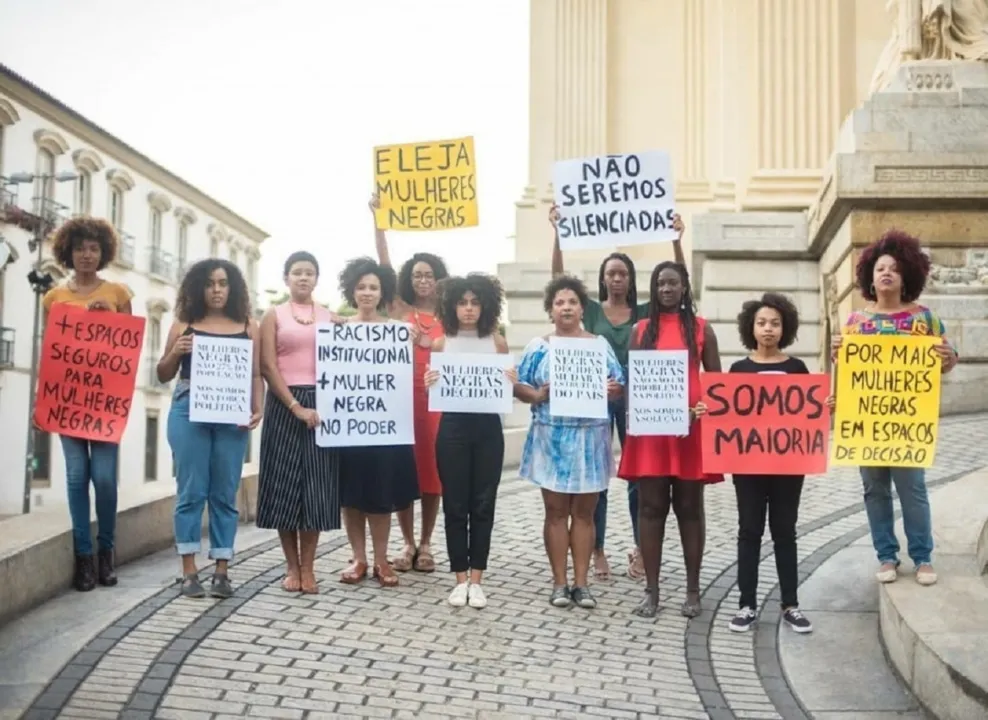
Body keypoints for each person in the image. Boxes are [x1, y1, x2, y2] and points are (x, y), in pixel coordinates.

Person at [548, 204, 687, 581]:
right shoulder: (588, 310)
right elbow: (559, 279)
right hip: (593, 400)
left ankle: (642, 549)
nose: (617, 279)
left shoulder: (646, 311)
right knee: (598, 475)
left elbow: (681, 287)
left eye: (623, 273)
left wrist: (677, 240)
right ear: (603, 278)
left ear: (631, 279)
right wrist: (558, 232)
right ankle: (596, 549)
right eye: (611, 273)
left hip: (638, 400)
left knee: (638, 476)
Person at [832, 229, 957, 587]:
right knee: (874, 490)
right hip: (867, 424)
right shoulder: (855, 324)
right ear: (869, 277)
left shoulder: (925, 319)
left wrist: (949, 356)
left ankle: (922, 557)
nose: (886, 273)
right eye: (880, 268)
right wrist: (837, 356)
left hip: (906, 424)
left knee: (912, 489)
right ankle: (886, 556)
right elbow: (845, 374)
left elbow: (947, 361)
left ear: (907, 277)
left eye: (895, 268)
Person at [618, 261, 722, 619]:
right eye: (660, 283)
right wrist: (633, 420)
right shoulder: (640, 331)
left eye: (673, 283)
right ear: (653, 287)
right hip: (651, 434)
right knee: (650, 508)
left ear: (684, 288)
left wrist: (704, 408)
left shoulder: (702, 330)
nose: (666, 289)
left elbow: (716, 385)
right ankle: (652, 589)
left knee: (690, 510)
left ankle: (693, 590)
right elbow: (633, 383)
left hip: (690, 433)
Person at [515, 275, 624, 609]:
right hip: (552, 440)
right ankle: (559, 583)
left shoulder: (599, 345)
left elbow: (618, 383)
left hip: (590, 440)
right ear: (551, 310)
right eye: (559, 302)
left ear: (582, 309)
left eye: (572, 302)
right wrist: (537, 393)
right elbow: (518, 385)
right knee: (555, 512)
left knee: (585, 513)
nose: (566, 307)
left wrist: (612, 391)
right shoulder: (539, 347)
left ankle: (582, 583)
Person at [158, 259, 263, 599]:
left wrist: (257, 406)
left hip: (231, 412)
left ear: (232, 288)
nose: (216, 290)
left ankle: (221, 570)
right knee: (191, 490)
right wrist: (175, 351)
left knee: (224, 492)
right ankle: (189, 571)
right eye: (209, 283)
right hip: (189, 408)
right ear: (197, 288)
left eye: (222, 283)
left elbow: (254, 373)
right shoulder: (184, 323)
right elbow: (162, 373)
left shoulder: (248, 325)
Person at [41, 217, 133, 591]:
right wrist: (41, 400)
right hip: (69, 402)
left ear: (103, 252)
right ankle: (84, 560)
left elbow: (127, 345)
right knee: (77, 477)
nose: (86, 255)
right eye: (80, 248)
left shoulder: (118, 293)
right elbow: (49, 352)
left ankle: (105, 553)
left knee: (105, 479)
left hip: (106, 403)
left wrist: (109, 319)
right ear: (69, 251)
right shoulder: (54, 298)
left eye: (93, 248)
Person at [718, 293, 817, 634]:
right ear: (751, 328)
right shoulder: (738, 370)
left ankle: (791, 603)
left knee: (785, 532)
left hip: (788, 467)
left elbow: (808, 414)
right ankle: (747, 604)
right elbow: (727, 417)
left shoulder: (797, 368)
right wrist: (708, 412)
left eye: (775, 323)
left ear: (785, 327)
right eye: (761, 323)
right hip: (748, 468)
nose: (768, 329)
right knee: (749, 532)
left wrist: (824, 407)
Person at [424, 274, 516, 609]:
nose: (468, 309)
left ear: (485, 305)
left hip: (488, 429)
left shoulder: (497, 341)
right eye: (462, 302)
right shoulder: (441, 343)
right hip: (453, 429)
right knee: (455, 504)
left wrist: (510, 379)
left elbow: (505, 389)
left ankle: (477, 579)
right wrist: (429, 382)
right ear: (451, 306)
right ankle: (459, 578)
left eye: (474, 302)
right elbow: (435, 392)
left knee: (483, 504)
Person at [369, 194, 446, 574]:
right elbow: (383, 264)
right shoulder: (399, 309)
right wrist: (379, 222)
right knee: (404, 469)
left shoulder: (451, 313)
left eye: (429, 274)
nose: (422, 279)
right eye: (416, 274)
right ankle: (407, 542)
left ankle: (428, 542)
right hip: (401, 400)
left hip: (437, 402)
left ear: (439, 280)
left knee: (432, 472)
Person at [257, 252, 342, 594]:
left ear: (317, 279)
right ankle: (291, 566)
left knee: (317, 488)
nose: (303, 278)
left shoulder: (331, 317)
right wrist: (293, 405)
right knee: (284, 484)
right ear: (286, 279)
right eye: (297, 273)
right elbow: (267, 366)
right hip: (284, 403)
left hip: (323, 406)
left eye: (309, 273)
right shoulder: (272, 316)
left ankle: (309, 567)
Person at [336, 256, 420, 588]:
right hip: (350, 425)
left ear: (382, 291)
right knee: (351, 496)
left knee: (381, 496)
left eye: (373, 287)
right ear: (352, 291)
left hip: (386, 427)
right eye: (361, 287)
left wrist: (410, 342)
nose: (367, 293)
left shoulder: (398, 331)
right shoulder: (339, 328)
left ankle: (382, 560)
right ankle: (359, 557)